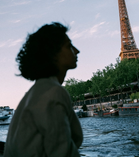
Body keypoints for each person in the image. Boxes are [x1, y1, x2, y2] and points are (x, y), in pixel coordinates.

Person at [4, 22, 83, 157]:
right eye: (69, 46)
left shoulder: (35, 93)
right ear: (53, 54)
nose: (76, 50)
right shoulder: (54, 93)